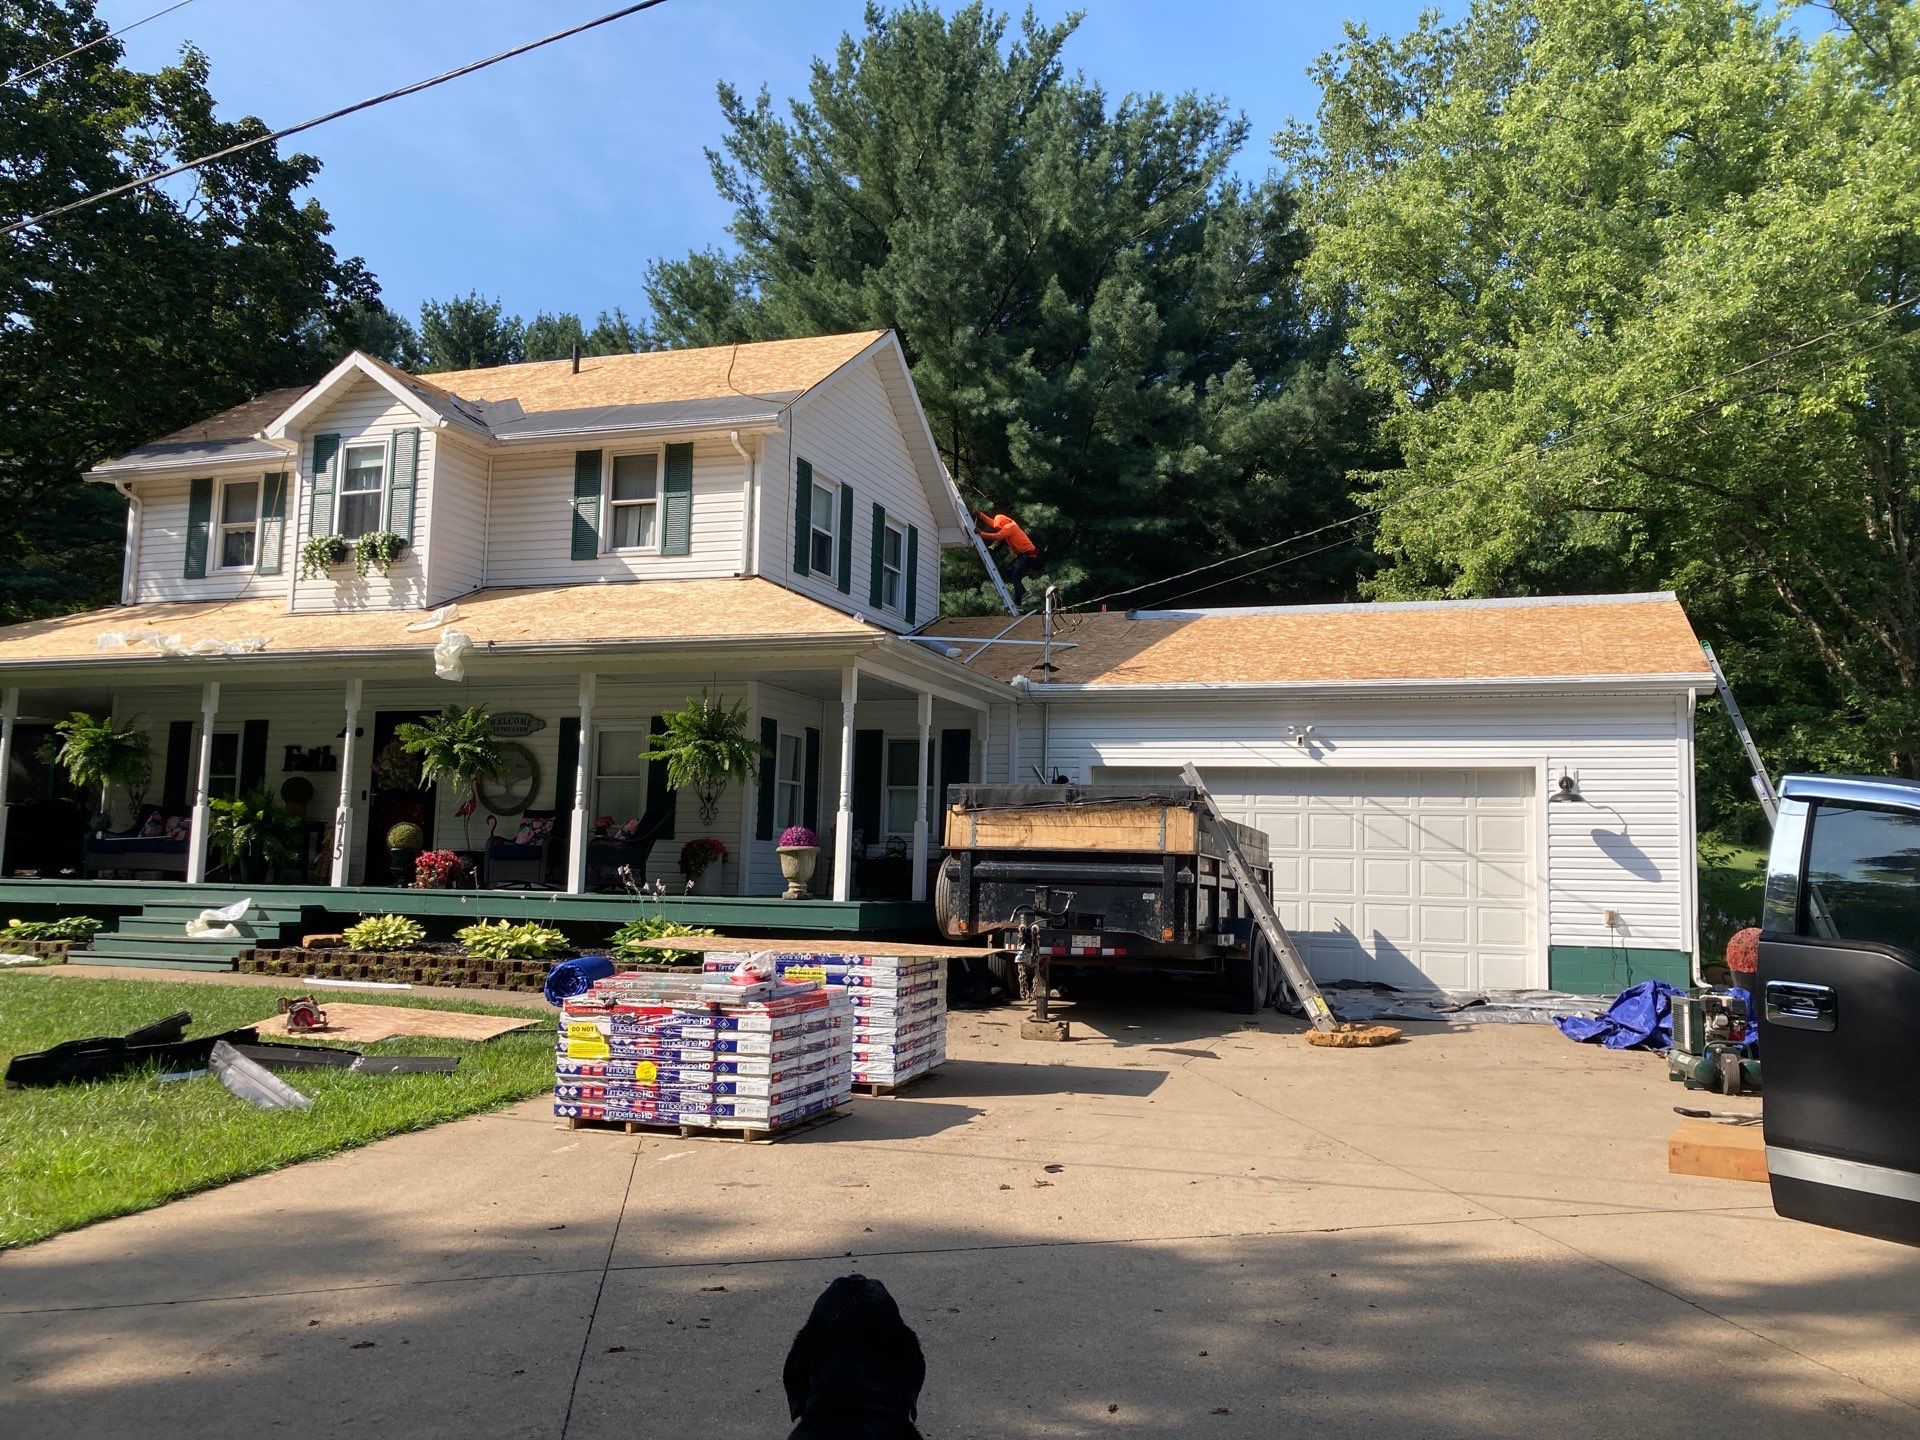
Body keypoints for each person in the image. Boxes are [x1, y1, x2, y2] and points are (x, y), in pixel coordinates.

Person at [973, 507, 1043, 605]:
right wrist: (980, 514)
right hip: (1022, 556)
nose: (997, 528)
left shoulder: (1010, 527)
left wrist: (981, 533)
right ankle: (1023, 592)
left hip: (1029, 556)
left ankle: (1018, 601)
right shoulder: (1005, 523)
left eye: (998, 527)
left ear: (1002, 522)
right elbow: (993, 522)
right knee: (1009, 572)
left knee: (1015, 577)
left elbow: (997, 536)